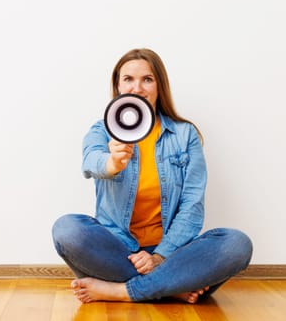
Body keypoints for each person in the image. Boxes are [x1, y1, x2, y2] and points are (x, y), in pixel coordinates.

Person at [52, 48, 253, 304]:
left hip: (172, 254)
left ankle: (121, 291)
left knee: (237, 244)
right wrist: (112, 162)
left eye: (147, 79)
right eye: (128, 79)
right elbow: (91, 161)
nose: (137, 88)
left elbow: (192, 207)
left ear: (160, 86)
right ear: (117, 85)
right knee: (67, 229)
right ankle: (172, 286)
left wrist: (159, 257)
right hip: (119, 252)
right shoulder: (102, 130)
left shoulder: (184, 135)